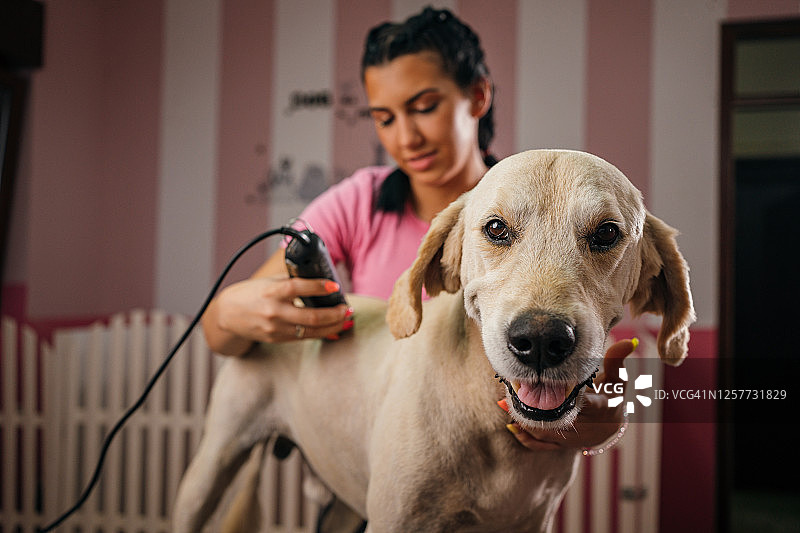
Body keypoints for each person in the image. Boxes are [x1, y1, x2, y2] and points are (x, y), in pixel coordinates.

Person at [202, 5, 631, 461]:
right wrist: (227, 312)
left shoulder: (550, 203)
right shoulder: (356, 203)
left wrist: (606, 421)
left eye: (424, 107)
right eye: (384, 118)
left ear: (478, 96)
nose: (406, 137)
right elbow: (222, 337)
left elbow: (599, 375)